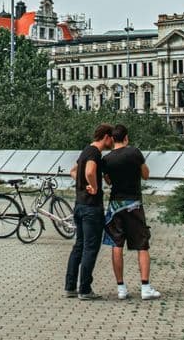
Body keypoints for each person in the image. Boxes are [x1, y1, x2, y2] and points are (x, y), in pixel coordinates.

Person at [102, 124, 161, 300]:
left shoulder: (107, 159)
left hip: (115, 204)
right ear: (126, 138)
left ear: (112, 139)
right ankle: (145, 288)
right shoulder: (134, 153)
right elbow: (146, 174)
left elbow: (108, 181)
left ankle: (121, 288)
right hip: (134, 203)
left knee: (116, 244)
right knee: (142, 244)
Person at [64, 123, 115, 301]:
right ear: (106, 137)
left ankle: (70, 286)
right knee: (90, 248)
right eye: (111, 139)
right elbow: (90, 171)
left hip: (79, 205)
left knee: (79, 245)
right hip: (92, 208)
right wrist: (92, 186)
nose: (112, 142)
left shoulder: (86, 151)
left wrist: (81, 184)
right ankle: (84, 289)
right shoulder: (94, 153)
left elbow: (73, 171)